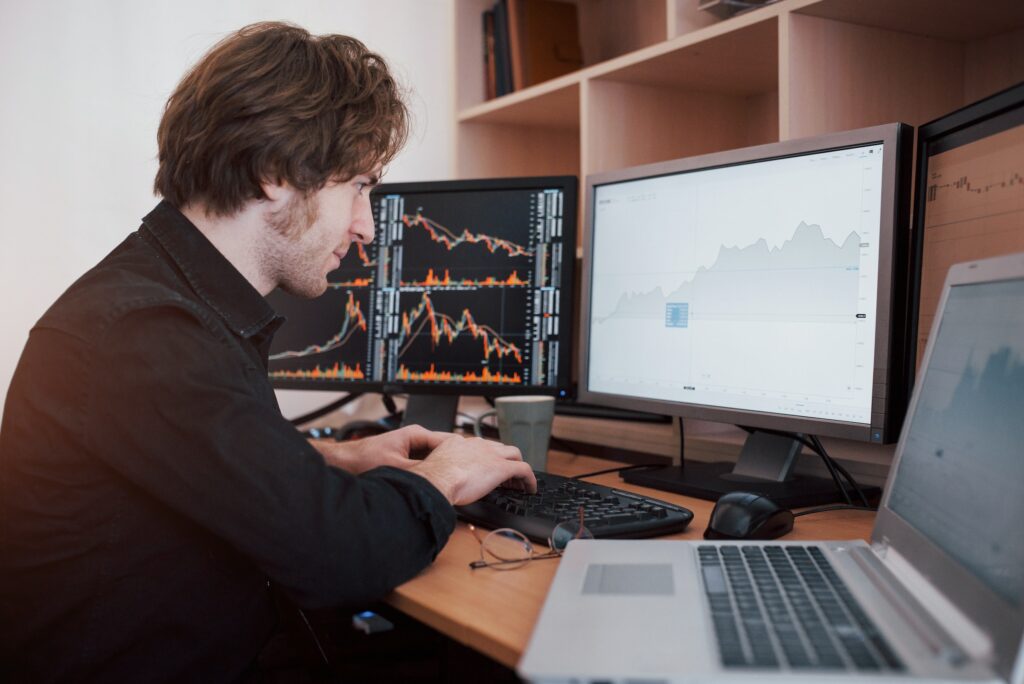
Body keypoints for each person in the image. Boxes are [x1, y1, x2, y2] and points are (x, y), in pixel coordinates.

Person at [0, 21, 536, 682]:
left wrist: (331, 458)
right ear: (275, 173)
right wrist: (444, 474)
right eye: (359, 186)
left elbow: (190, 463)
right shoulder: (146, 333)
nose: (368, 227)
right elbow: (339, 556)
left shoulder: (163, 304)